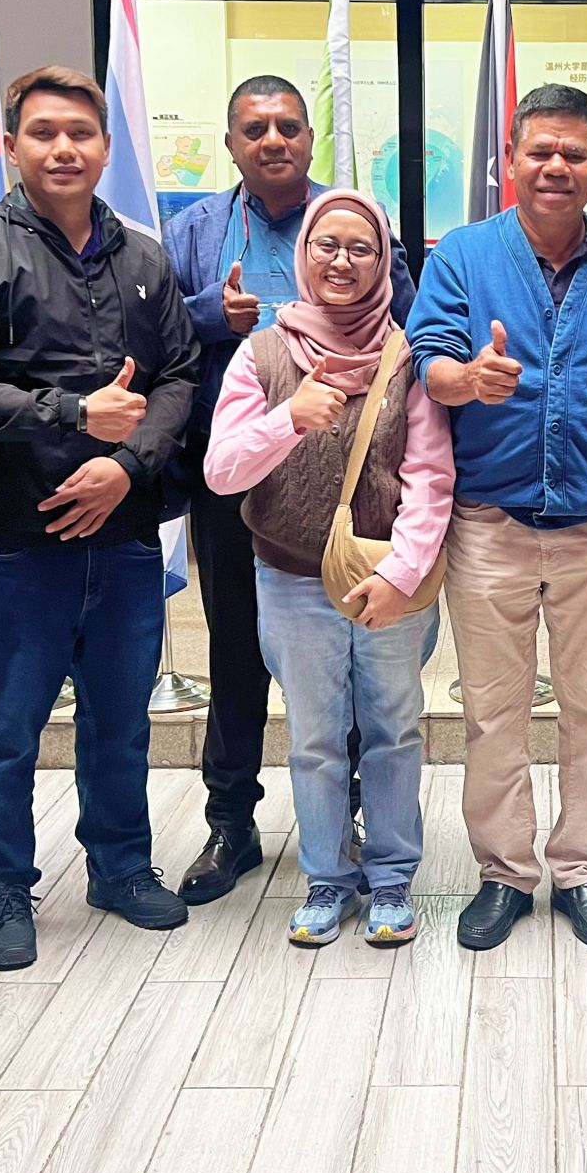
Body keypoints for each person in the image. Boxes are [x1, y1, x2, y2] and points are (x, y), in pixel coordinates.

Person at [0, 65, 202, 969]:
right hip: (19, 542)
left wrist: (125, 464)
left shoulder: (144, 259)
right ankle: (3, 885)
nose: (63, 149)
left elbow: (179, 376)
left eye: (80, 133)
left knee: (120, 721)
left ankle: (120, 866)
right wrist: (74, 414)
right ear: (13, 146)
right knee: (6, 730)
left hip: (125, 537)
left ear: (106, 148)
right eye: (43, 133)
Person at [409, 83, 587, 952]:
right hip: (489, 527)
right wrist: (468, 380)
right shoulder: (463, 255)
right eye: (540, 151)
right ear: (510, 162)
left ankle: (582, 870)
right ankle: (503, 873)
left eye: (573, 152)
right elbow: (427, 361)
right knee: (493, 713)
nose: (556, 165)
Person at [161, 75, 418, 906]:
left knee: (354, 663)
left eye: (288, 127)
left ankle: (348, 821)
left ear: (310, 140)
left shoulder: (354, 223)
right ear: (230, 144)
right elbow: (156, 335)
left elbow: (408, 335)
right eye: (254, 129)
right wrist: (214, 315)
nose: (272, 140)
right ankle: (231, 822)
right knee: (236, 653)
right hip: (237, 476)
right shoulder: (194, 231)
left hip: (354, 488)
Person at [204, 189, 451, 946]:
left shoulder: (408, 356)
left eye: (361, 248)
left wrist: (402, 574)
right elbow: (221, 471)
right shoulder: (262, 354)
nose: (343, 261)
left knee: (393, 729)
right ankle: (326, 876)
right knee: (313, 737)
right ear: (304, 254)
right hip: (289, 580)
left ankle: (391, 875)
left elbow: (430, 477)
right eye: (327, 245)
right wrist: (289, 418)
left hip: (386, 581)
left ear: (383, 261)